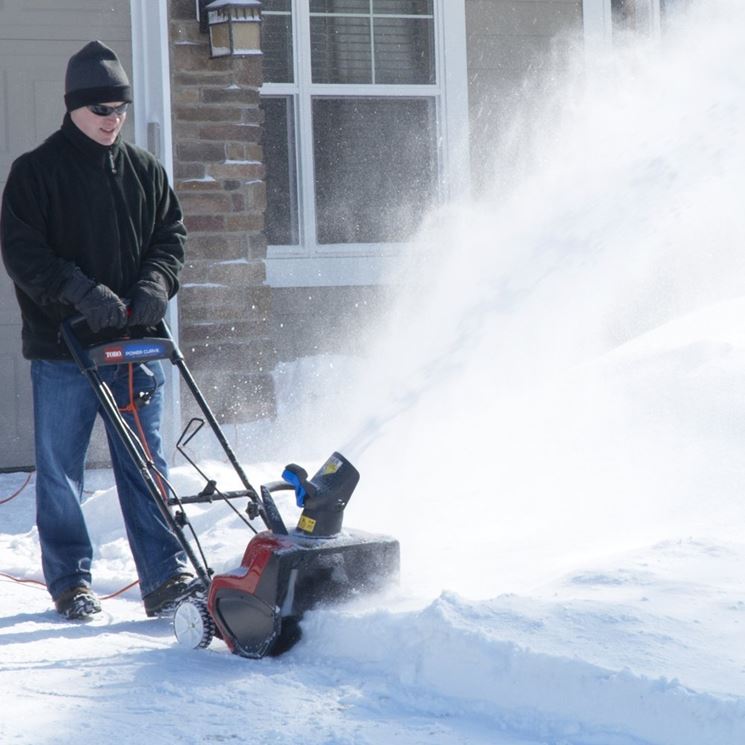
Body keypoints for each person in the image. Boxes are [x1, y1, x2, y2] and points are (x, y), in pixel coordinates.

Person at [0, 41, 192, 620]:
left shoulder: (144, 171)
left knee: (145, 463)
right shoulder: (36, 172)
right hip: (65, 350)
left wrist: (155, 286)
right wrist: (80, 292)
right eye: (101, 111)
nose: (113, 121)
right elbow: (24, 252)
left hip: (135, 344)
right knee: (61, 470)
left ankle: (165, 575)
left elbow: (170, 238)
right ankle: (70, 582)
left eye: (121, 110)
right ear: (73, 107)